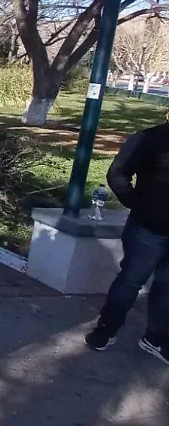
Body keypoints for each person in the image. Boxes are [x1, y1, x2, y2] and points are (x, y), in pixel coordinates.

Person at [84, 117, 169, 364]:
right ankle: (106, 330)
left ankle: (155, 339)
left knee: (167, 287)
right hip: (147, 230)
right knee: (130, 281)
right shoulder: (149, 138)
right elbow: (117, 173)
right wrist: (139, 205)